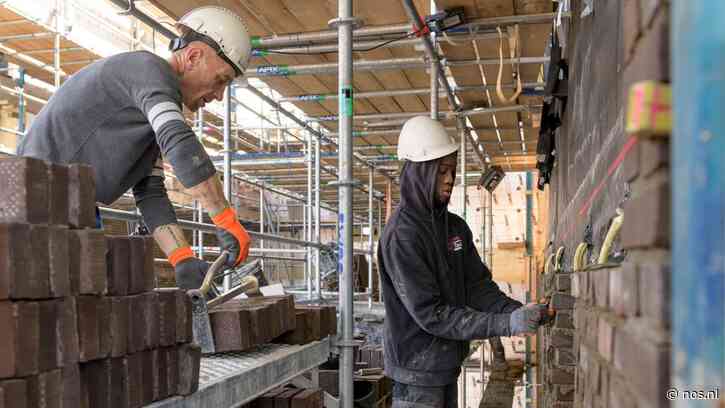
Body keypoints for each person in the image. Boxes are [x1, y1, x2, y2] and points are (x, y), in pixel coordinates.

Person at [17, 6, 252, 289]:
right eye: (221, 80)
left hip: (70, 206)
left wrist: (183, 259)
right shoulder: (149, 71)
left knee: (82, 308)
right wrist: (224, 217)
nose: (218, 95)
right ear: (192, 56)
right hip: (32, 200)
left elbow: (150, 192)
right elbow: (179, 142)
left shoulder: (148, 109)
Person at [377, 116, 549, 408]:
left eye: (452, 170)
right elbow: (434, 314)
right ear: (419, 173)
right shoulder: (402, 236)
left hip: (445, 366)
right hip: (416, 376)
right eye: (441, 171)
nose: (449, 178)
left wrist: (519, 313)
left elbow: (477, 287)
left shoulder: (454, 227)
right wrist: (506, 324)